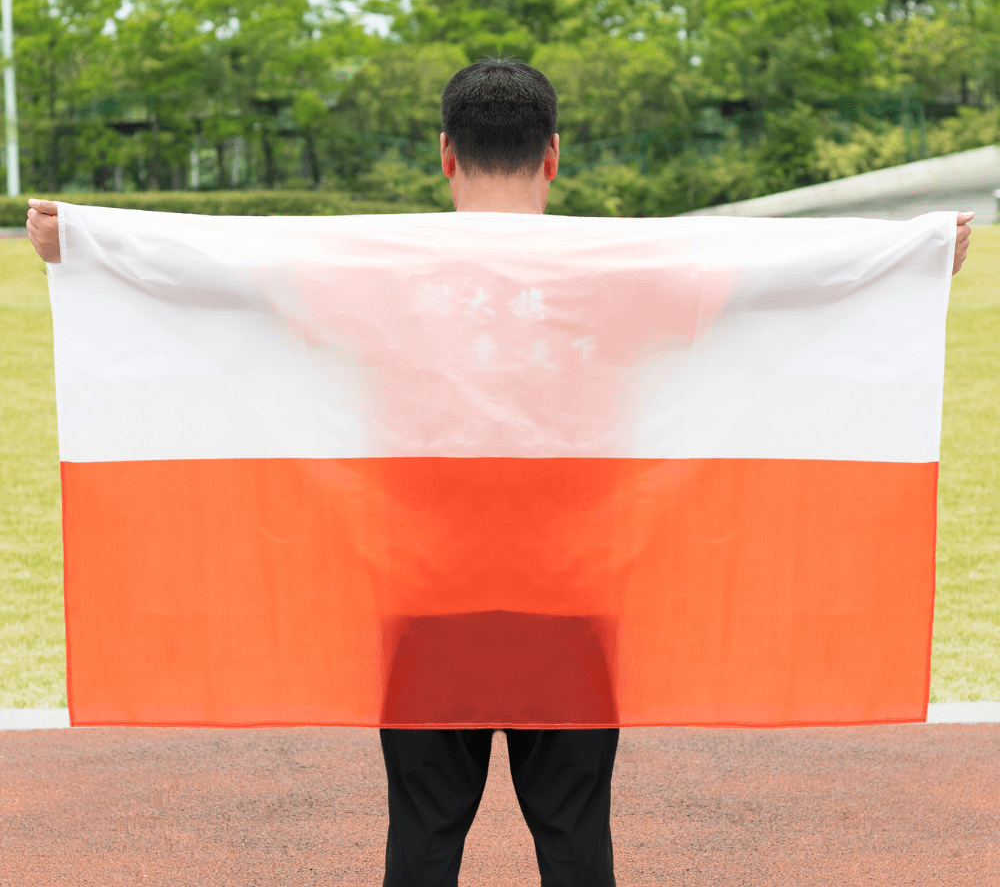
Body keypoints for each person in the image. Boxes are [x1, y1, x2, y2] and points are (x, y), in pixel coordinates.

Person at [26, 59, 974, 887]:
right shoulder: (619, 271)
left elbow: (230, 273)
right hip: (571, 603)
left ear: (445, 154)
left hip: (427, 603)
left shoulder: (378, 271)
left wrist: (93, 241)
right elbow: (774, 281)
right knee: (575, 839)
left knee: (423, 838)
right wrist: (916, 252)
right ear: (553, 154)